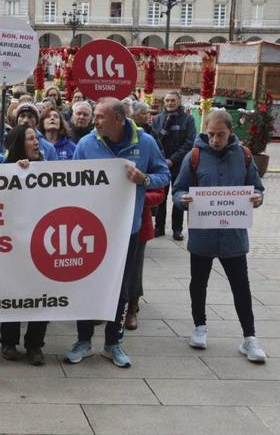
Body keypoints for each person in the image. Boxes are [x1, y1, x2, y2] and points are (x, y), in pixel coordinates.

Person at [65, 97, 170, 368]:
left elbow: (164, 174)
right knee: (88, 285)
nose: (94, 121)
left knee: (121, 288)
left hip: (126, 230)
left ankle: (113, 344)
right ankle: (84, 341)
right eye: (95, 116)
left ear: (118, 119)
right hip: (90, 231)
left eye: (100, 116)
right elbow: (70, 181)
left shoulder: (144, 143)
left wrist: (144, 180)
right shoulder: (87, 144)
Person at [173, 109, 267, 363]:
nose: (215, 139)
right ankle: (199, 327)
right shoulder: (194, 157)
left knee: (241, 286)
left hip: (233, 237)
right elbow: (179, 188)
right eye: (211, 134)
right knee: (198, 283)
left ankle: (250, 338)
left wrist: (257, 198)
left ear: (231, 132)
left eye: (221, 135)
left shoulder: (244, 156)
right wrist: (181, 200)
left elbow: (257, 186)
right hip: (203, 235)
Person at [0, 124, 49, 365]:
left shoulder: (46, 169)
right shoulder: (4, 171)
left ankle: (35, 344)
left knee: (40, 292)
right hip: (12, 242)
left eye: (37, 138)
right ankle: (8, 342)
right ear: (20, 144)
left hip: (40, 240)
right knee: (13, 291)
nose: (36, 142)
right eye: (30, 139)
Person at [152, 91, 196, 240]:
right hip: (161, 164)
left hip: (180, 165)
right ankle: (159, 227)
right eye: (167, 101)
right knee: (160, 198)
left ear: (179, 102)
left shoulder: (188, 120)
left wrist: (172, 159)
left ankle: (177, 229)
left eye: (173, 100)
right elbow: (153, 141)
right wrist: (161, 159)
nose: (170, 103)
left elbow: (189, 142)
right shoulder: (157, 119)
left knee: (178, 196)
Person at [125, 183, 165, 331]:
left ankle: (132, 307)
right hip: (108, 223)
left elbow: (159, 193)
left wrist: (139, 197)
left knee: (135, 267)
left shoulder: (146, 160)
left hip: (138, 223)